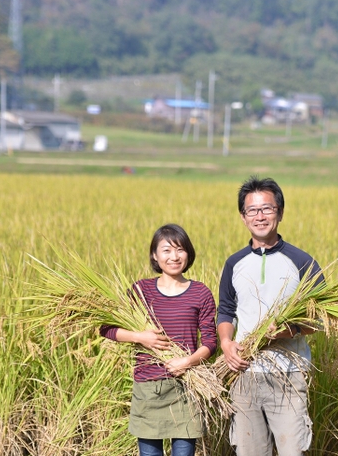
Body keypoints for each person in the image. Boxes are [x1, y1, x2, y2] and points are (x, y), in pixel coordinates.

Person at [217, 176, 324, 456]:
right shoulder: (234, 263)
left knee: (292, 451)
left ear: (280, 212)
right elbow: (226, 310)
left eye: (267, 208)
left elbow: (322, 318)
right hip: (244, 373)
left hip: (288, 374)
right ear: (243, 217)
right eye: (252, 210)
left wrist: (288, 331)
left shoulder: (302, 262)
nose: (260, 216)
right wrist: (227, 344)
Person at [100, 224, 216, 456]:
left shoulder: (200, 292)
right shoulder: (141, 290)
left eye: (180, 250)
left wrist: (187, 362)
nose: (174, 257)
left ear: (188, 253)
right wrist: (139, 337)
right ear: (155, 255)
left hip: (187, 386)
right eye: (166, 250)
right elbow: (106, 328)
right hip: (148, 388)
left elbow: (211, 342)